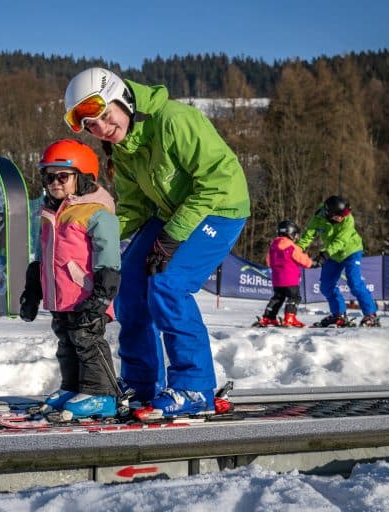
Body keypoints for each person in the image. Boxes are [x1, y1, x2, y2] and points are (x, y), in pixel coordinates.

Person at [63, 67, 251, 420]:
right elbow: (135, 207)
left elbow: (216, 181)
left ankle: (194, 387)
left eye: (105, 115)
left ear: (123, 99)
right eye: (92, 127)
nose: (103, 129)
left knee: (168, 284)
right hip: (172, 212)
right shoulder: (123, 150)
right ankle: (142, 382)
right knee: (130, 282)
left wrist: (172, 237)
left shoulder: (174, 120)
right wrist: (91, 236)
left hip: (221, 208)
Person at [18, 139, 122, 419]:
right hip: (59, 295)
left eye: (62, 176)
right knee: (66, 342)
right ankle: (73, 387)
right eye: (49, 176)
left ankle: (101, 394)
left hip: (86, 295)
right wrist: (32, 289)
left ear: (84, 177)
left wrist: (103, 293)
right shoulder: (49, 211)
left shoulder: (97, 211)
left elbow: (109, 256)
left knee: (87, 340)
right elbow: (42, 255)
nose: (54, 182)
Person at [297, 195, 380, 327]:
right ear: (330, 213)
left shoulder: (348, 220)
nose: (343, 217)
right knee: (326, 286)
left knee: (354, 282)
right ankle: (339, 315)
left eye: (345, 214)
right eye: (340, 215)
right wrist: (297, 249)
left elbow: (340, 241)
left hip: (351, 251)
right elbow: (308, 235)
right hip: (334, 255)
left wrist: (324, 255)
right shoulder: (319, 217)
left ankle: (371, 315)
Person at [254, 220, 312, 328]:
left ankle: (268, 317)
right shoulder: (291, 246)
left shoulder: (273, 246)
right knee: (294, 297)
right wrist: (310, 262)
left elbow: (268, 261)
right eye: (295, 234)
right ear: (290, 233)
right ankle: (290, 318)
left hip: (277, 279)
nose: (296, 237)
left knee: (277, 297)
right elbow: (302, 260)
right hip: (290, 279)